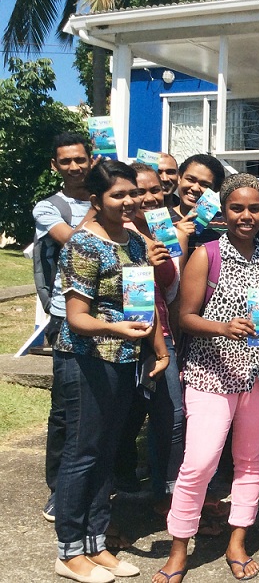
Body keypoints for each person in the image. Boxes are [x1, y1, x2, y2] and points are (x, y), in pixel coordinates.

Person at [154, 173, 259, 583]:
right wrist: (223, 327)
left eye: (253, 208)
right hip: (212, 373)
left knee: (249, 461)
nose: (246, 216)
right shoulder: (205, 254)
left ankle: (237, 540)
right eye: (237, 208)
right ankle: (180, 547)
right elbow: (185, 317)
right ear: (223, 211)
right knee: (199, 462)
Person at [53, 160, 170, 583]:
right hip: (86, 359)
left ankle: (96, 542)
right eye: (118, 195)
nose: (130, 202)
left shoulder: (136, 242)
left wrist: (157, 347)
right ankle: (68, 551)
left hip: (125, 360)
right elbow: (76, 317)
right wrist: (114, 327)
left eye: (132, 194)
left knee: (107, 451)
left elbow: (144, 300)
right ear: (95, 200)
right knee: (82, 454)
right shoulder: (83, 245)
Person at [113, 163, 187, 514]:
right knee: (119, 418)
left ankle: (167, 493)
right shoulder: (115, 228)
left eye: (153, 189)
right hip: (118, 334)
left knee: (172, 414)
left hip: (159, 331)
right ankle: (110, 501)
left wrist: (160, 256)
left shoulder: (168, 231)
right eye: (137, 190)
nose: (146, 197)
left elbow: (171, 289)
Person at [33, 133, 97, 522]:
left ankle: (104, 481)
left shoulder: (108, 192)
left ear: (91, 159)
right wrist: (96, 209)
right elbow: (75, 245)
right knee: (65, 407)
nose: (74, 166)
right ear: (55, 165)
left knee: (106, 403)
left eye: (80, 159)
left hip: (109, 314)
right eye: (66, 161)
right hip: (64, 314)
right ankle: (58, 488)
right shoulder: (47, 207)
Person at [168, 153, 226, 262]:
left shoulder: (224, 224)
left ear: (215, 190)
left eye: (204, 185)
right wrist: (179, 237)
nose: (195, 188)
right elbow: (164, 269)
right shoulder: (162, 222)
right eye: (190, 179)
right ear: (180, 178)